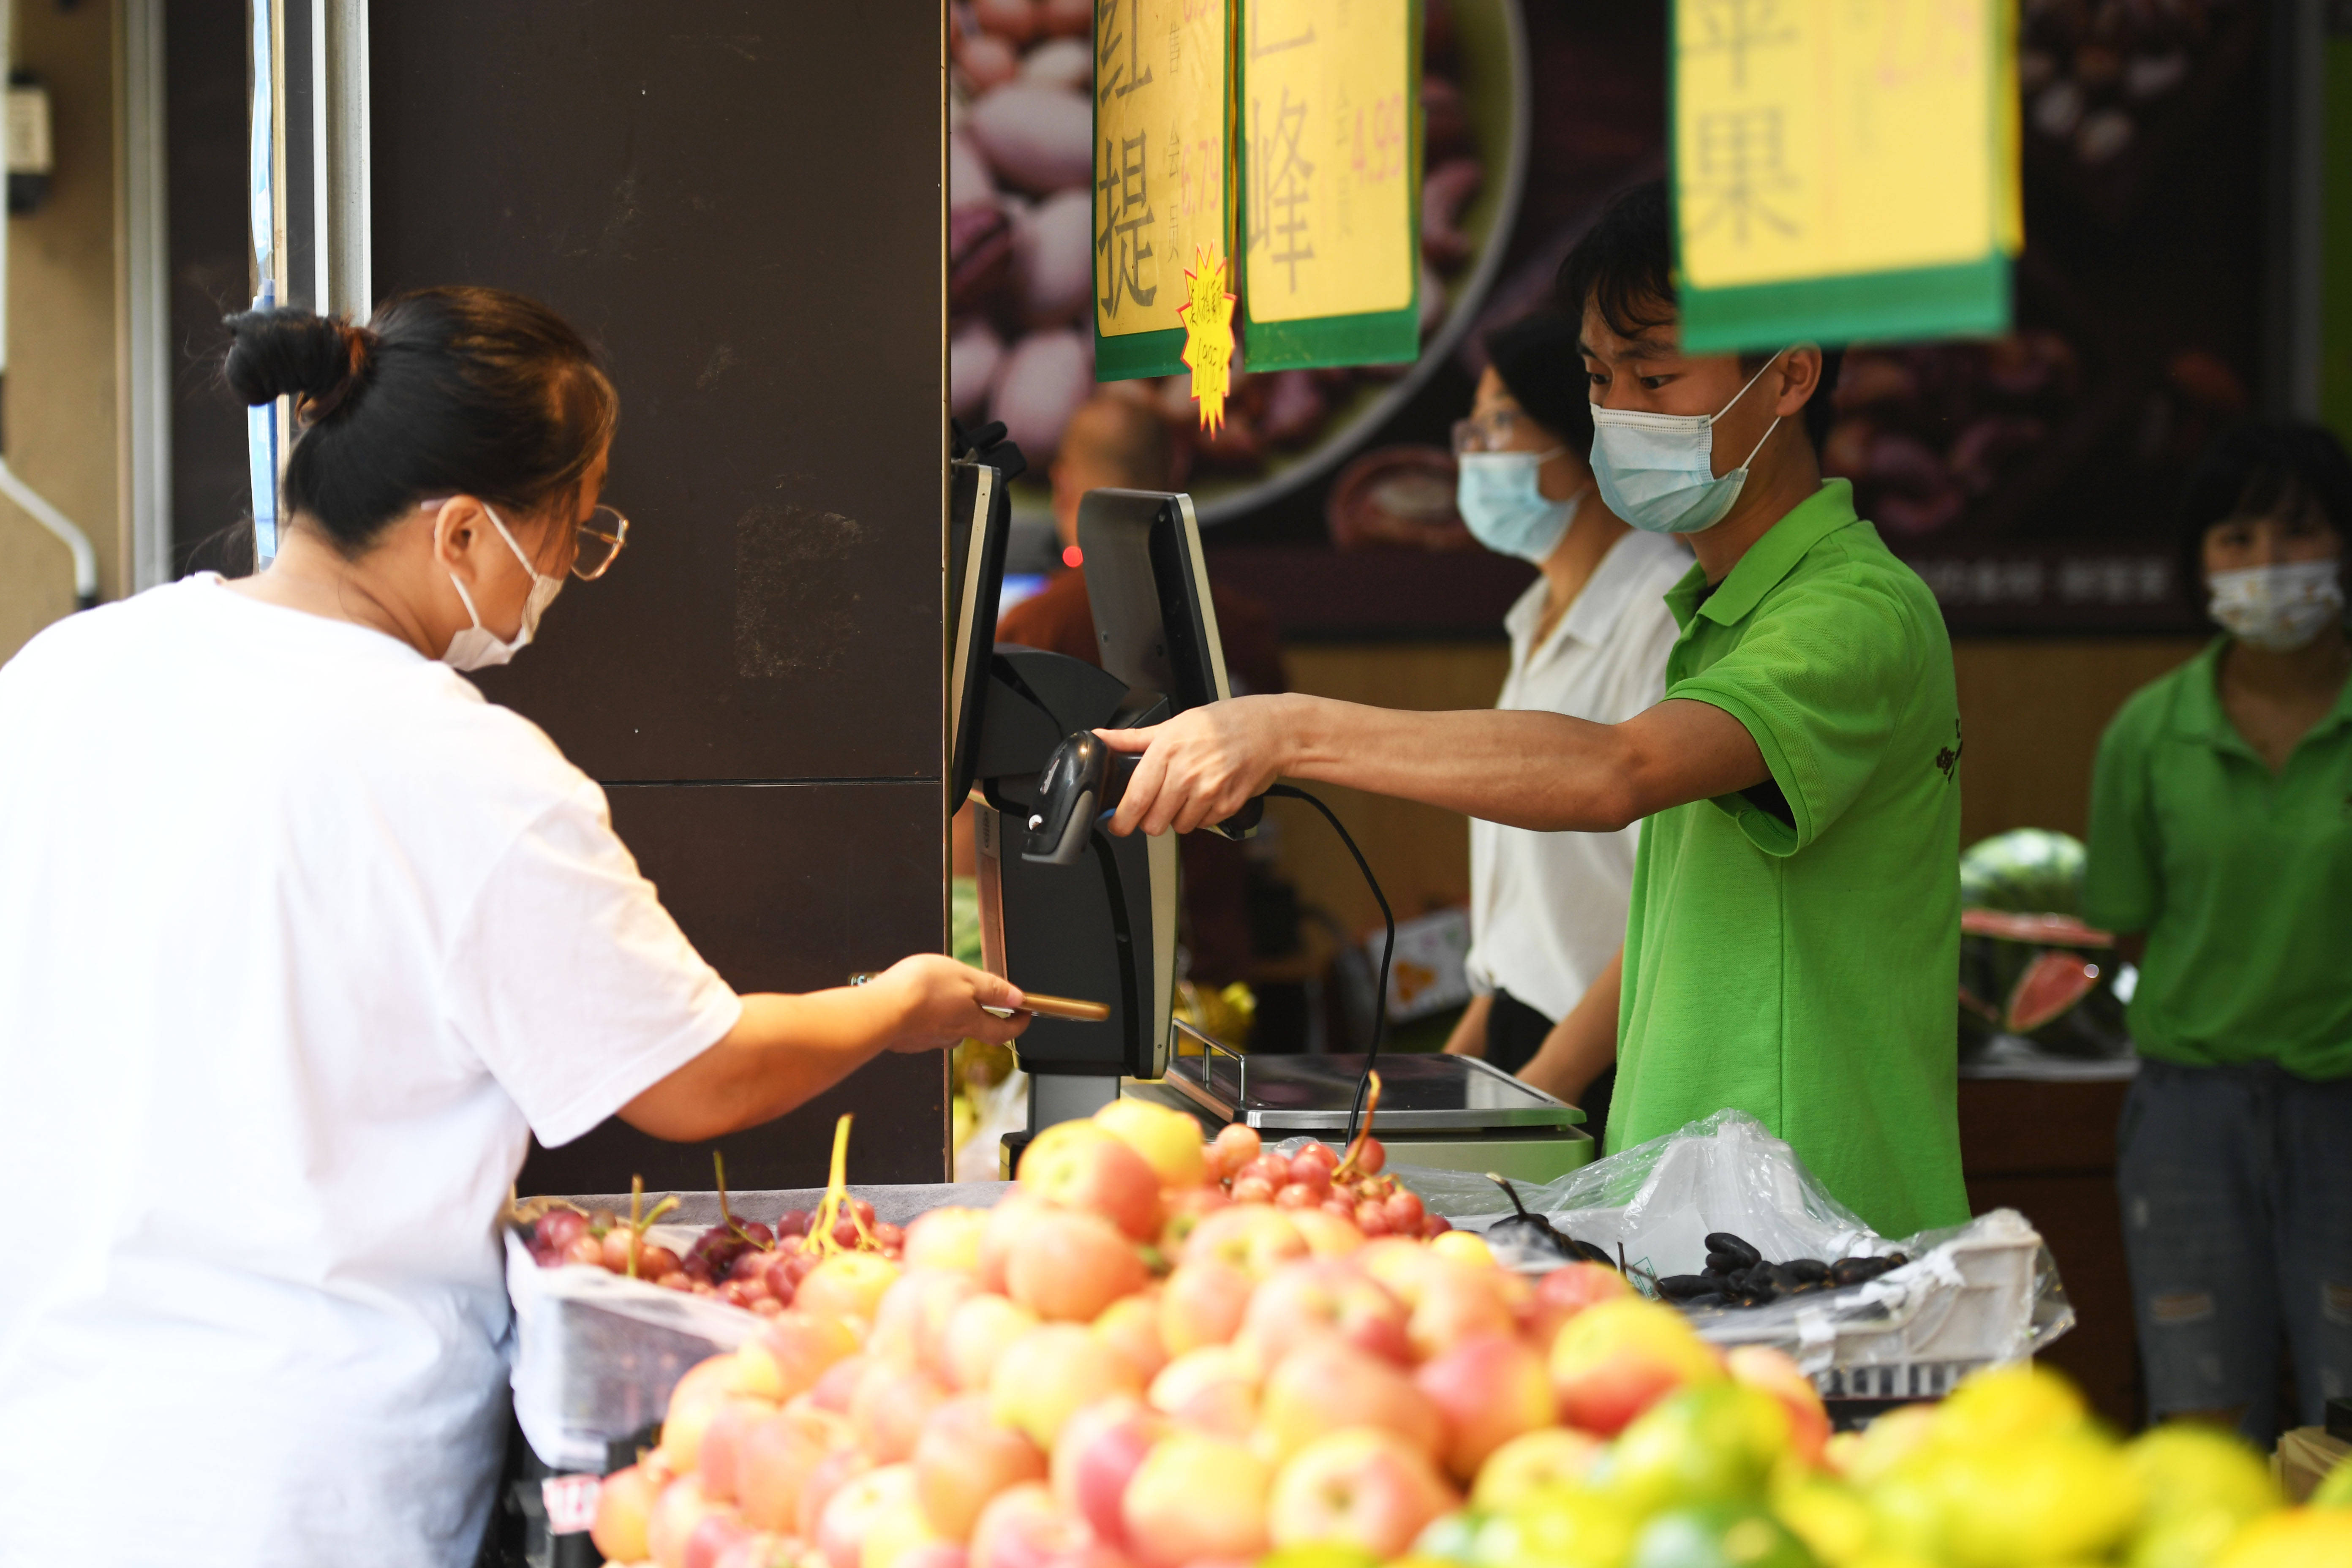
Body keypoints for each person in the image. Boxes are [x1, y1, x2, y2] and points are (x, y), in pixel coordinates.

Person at [0, 289, 1025, 1568]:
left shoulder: (65, 674)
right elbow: (693, 1075)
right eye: (577, 531)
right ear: (467, 531)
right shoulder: (459, 768)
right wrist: (899, 1005)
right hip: (304, 1483)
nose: (569, 574)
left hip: (55, 1458)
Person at [1096, 180, 1969, 1240]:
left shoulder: (1853, 610)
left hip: (1812, 1219)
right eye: (1604, 378)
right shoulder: (1719, 616)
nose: (1620, 414)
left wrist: (1289, 729)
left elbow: (1616, 773)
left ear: (1789, 378)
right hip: (1692, 1197)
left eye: (1658, 376)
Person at [2084, 419, 2352, 1445]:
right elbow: (2132, 929)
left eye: (2298, 531)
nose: (2268, 564)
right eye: (2236, 539)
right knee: (2201, 1414)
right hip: (2188, 1123)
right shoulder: (2146, 733)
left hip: (2343, 1110)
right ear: (2199, 563)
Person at [1438, 312, 1686, 1146]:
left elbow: (1673, 893)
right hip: (1524, 1040)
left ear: (1581, 443)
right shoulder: (1537, 619)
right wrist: (1461, 1064)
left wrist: (1549, 1085)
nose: (1475, 450)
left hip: (1606, 1057)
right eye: (1472, 426)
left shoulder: (1661, 614)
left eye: (1501, 421)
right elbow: (1530, 905)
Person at [989, 392, 1293, 996]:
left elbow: (987, 812)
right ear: (1175, 479)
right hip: (1215, 974)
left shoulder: (1032, 631)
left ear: (1064, 484)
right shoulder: (1240, 626)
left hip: (1068, 974)